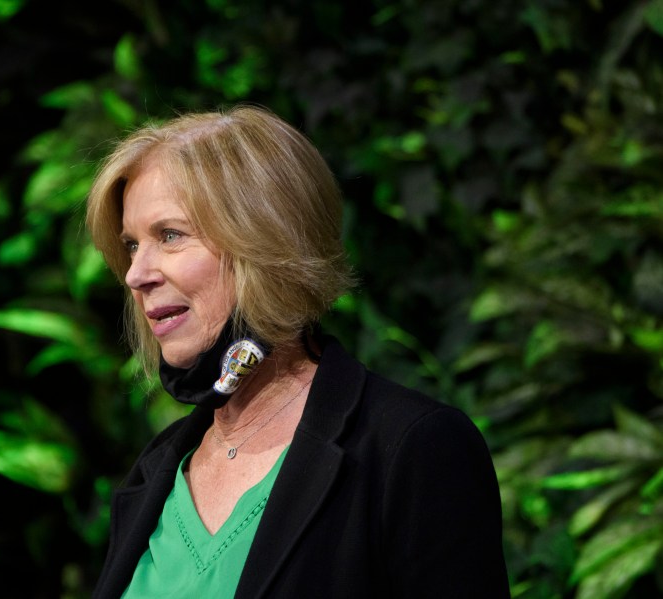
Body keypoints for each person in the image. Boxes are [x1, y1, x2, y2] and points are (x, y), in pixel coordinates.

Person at [86, 105, 509, 598]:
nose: (137, 274)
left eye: (171, 235)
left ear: (266, 242)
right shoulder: (157, 468)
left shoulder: (411, 448)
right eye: (132, 245)